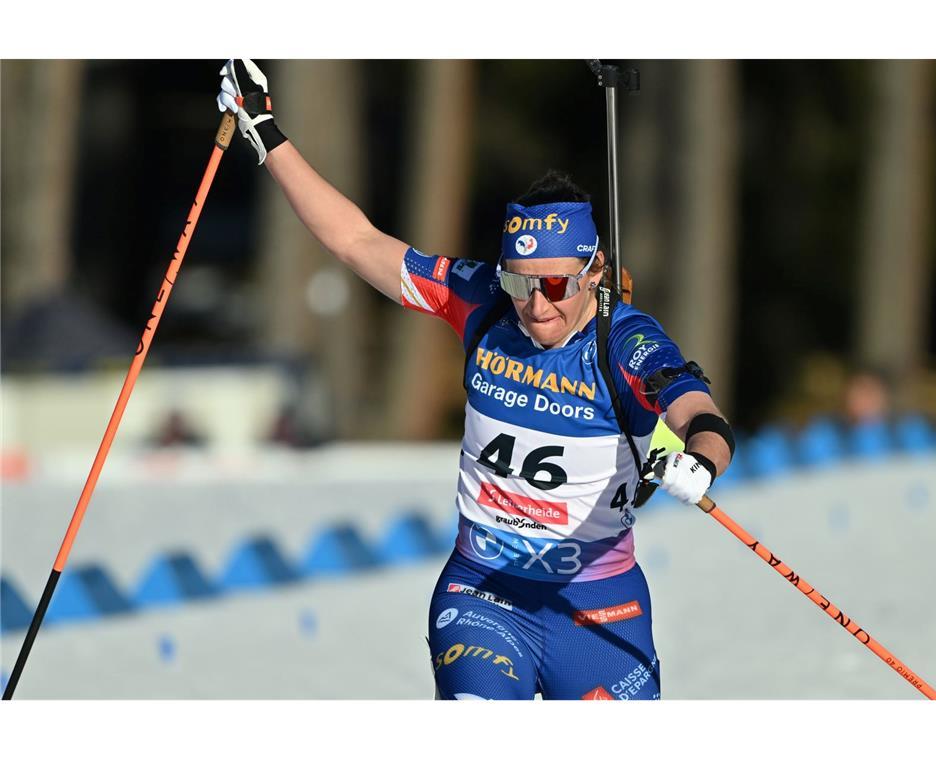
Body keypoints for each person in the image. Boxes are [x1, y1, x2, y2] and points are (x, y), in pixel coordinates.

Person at [217, 59, 735, 700]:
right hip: (483, 591)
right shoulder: (482, 299)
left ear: (593, 272)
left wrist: (701, 464)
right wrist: (265, 131)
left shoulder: (622, 341)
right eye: (520, 282)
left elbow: (699, 413)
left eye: (554, 285)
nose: (536, 305)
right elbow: (356, 240)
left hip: (600, 603)